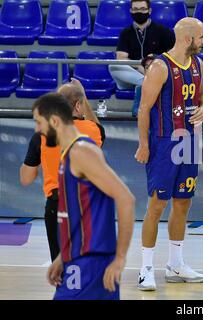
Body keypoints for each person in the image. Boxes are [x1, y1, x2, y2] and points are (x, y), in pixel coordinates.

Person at [32, 93, 135, 300]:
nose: (37, 130)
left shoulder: (81, 152)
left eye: (39, 122)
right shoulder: (69, 153)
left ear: (54, 121)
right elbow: (80, 216)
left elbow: (126, 198)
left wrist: (120, 259)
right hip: (79, 260)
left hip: (91, 264)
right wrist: (63, 257)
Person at [134, 17, 203, 291]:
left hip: (188, 143)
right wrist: (143, 144)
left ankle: (175, 264)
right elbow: (143, 109)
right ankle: (146, 268)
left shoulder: (199, 65)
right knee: (156, 205)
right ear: (188, 38)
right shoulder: (159, 67)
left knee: (183, 202)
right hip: (164, 144)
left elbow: (199, 97)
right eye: (201, 36)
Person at [20, 79, 105, 262]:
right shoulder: (93, 130)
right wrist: (84, 97)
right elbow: (96, 126)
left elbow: (26, 175)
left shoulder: (40, 135)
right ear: (77, 105)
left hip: (57, 203)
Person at [109, 0, 175, 116]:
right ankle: (145, 81)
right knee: (114, 65)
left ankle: (142, 90)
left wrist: (153, 67)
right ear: (130, 11)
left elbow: (173, 55)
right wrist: (139, 66)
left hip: (155, 72)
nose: (139, 12)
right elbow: (121, 58)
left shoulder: (163, 31)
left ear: (149, 11)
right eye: (135, 9)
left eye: (142, 9)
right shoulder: (126, 33)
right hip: (131, 75)